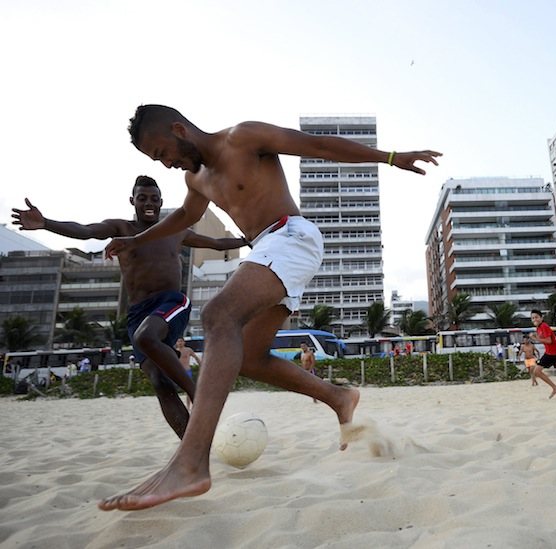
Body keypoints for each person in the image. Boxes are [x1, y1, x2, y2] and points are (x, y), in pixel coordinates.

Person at [99, 104, 440, 511]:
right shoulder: (196, 179)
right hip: (269, 249)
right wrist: (135, 242)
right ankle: (338, 398)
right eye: (157, 160)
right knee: (248, 356)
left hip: (291, 236)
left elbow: (317, 145)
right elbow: (184, 220)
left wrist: (388, 157)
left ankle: (190, 464)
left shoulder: (242, 138)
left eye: (162, 152)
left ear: (179, 129)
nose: (166, 163)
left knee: (217, 316)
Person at [12, 176, 244, 437]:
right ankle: (192, 443)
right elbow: (86, 230)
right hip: (138, 314)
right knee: (159, 381)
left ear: (161, 203)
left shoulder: (175, 230)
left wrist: (248, 240)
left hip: (171, 303)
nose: (149, 203)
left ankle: (198, 393)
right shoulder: (121, 228)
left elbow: (217, 243)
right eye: (143, 198)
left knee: (146, 337)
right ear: (132, 200)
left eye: (154, 199)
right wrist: (45, 223)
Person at [175, 337, 202, 410]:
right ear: (176, 343)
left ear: (184, 342)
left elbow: (196, 358)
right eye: (178, 341)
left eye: (181, 341)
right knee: (173, 389)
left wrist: (201, 365)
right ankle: (177, 406)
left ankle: (188, 406)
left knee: (188, 390)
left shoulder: (188, 350)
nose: (180, 343)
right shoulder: (174, 351)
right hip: (178, 372)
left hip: (187, 371)